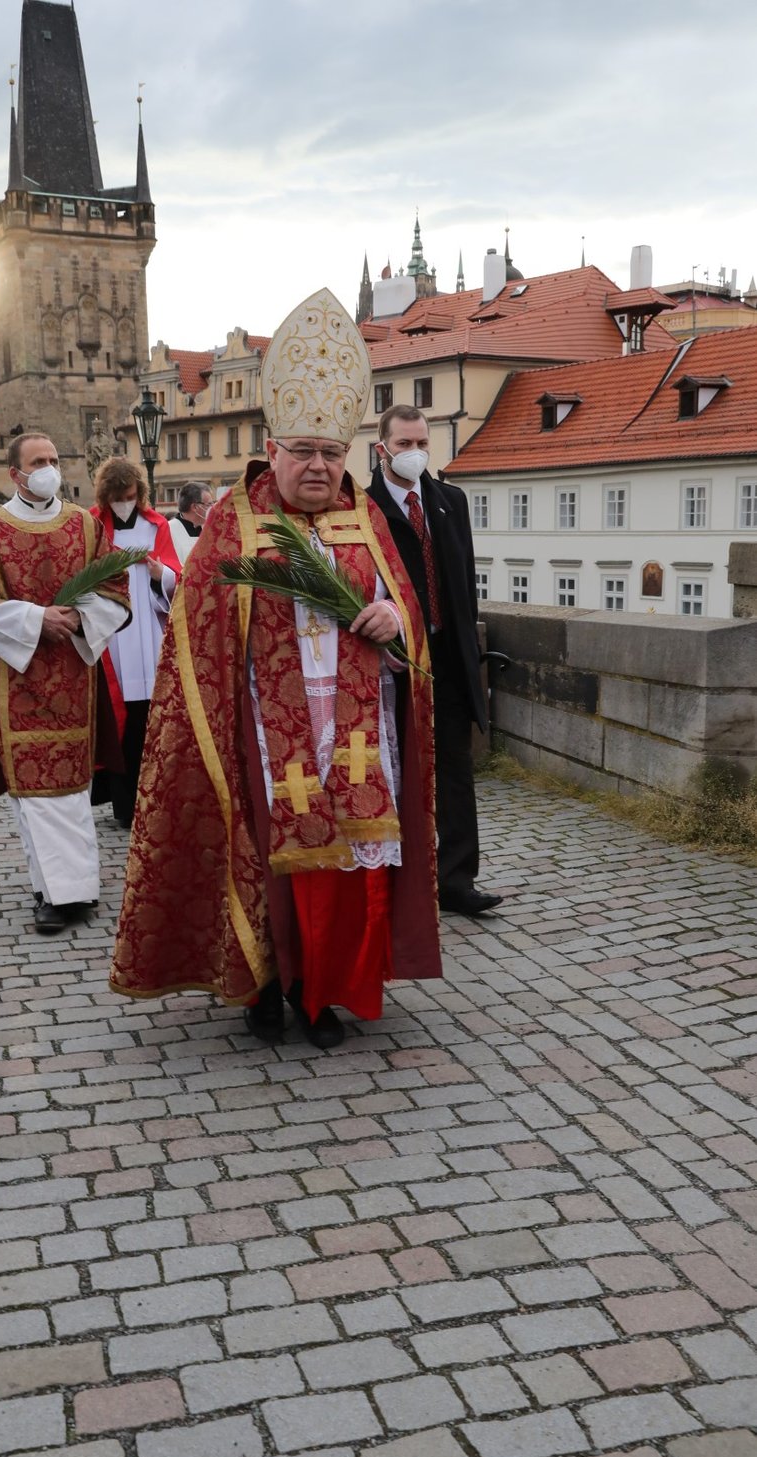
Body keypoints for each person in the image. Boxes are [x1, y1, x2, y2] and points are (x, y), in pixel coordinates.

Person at [110, 289, 440, 1049]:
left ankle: (323, 993)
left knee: (345, 869)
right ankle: (262, 984)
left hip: (355, 736)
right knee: (271, 864)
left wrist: (397, 623)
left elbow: (410, 624)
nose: (320, 467)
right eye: (305, 452)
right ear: (275, 448)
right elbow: (196, 630)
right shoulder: (235, 519)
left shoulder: (367, 520)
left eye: (332, 453)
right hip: (266, 731)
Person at [0, 432, 131, 934]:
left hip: (74, 676)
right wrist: (36, 620)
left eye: (54, 459)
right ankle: (55, 892)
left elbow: (113, 586)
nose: (49, 467)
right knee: (33, 790)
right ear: (16, 474)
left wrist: (78, 619)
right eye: (38, 461)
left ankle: (74, 889)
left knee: (73, 788)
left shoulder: (84, 526)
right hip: (17, 679)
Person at [368, 407, 501, 917]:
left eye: (421, 442)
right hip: (396, 658)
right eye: (404, 444)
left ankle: (458, 879)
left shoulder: (450, 500)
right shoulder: (366, 507)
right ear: (383, 449)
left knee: (455, 767)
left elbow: (465, 584)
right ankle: (399, 876)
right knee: (397, 765)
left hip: (448, 655)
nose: (415, 453)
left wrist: (473, 657)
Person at [92, 456, 180, 828]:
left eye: (129, 495)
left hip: (146, 635)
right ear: (106, 496)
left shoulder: (155, 525)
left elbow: (176, 576)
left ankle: (152, 803)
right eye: (117, 496)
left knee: (147, 723)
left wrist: (160, 573)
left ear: (140, 493)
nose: (123, 502)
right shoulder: (93, 525)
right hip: (113, 637)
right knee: (118, 725)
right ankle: (123, 806)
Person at [168, 481, 214, 565]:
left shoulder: (211, 530)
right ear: (195, 507)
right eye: (209, 504)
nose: (212, 508)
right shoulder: (168, 530)